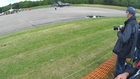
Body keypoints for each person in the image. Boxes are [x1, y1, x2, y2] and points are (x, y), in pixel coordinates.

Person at [114, 7, 137, 77]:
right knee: (122, 64)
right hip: (129, 49)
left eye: (126, 12)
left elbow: (124, 39)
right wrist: (124, 29)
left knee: (119, 67)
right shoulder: (135, 23)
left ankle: (118, 76)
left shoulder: (129, 24)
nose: (126, 14)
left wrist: (119, 33)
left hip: (124, 50)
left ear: (129, 13)